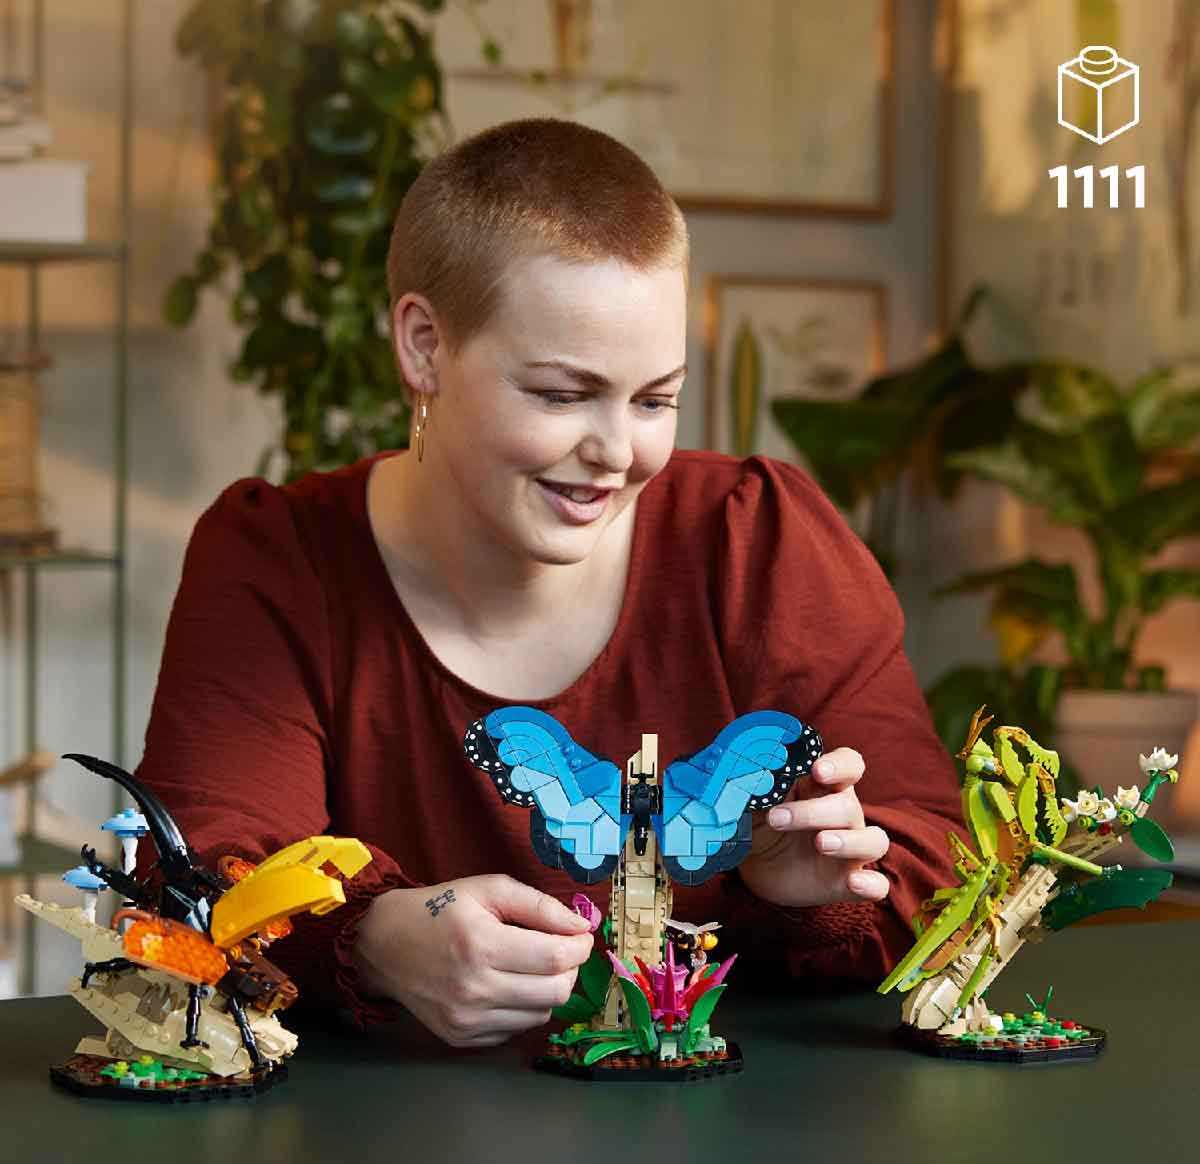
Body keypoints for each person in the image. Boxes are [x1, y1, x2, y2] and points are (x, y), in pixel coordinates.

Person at [135, 116, 963, 1049]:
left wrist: (803, 894)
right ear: (423, 345)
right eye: (563, 395)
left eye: (655, 400)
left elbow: (941, 861)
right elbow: (200, 875)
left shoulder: (756, 539)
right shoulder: (278, 559)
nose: (616, 452)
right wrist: (371, 939)